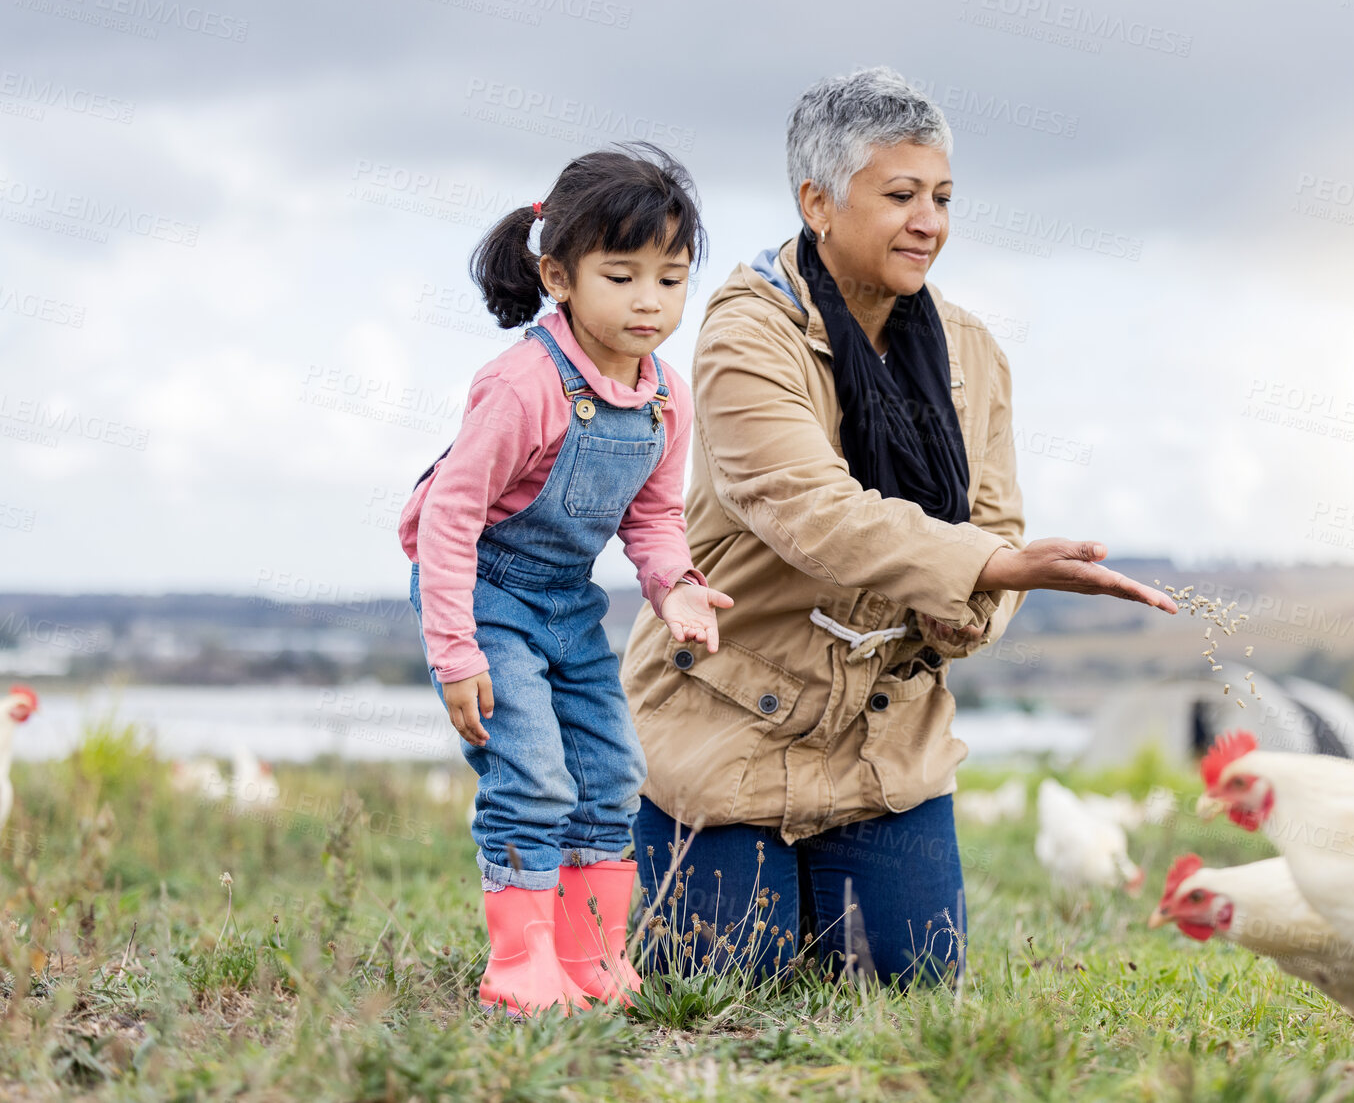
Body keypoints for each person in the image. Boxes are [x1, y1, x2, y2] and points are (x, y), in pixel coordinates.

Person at [621, 69, 1175, 987]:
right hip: (730, 721)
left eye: (943, 197)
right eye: (901, 195)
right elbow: (809, 509)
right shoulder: (746, 332)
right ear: (818, 201)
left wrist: (973, 609)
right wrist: (991, 564)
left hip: (887, 743)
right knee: (715, 982)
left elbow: (997, 523)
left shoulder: (970, 351)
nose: (930, 221)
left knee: (913, 985)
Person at [399, 145, 733, 1015]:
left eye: (671, 277)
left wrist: (677, 587)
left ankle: (591, 957)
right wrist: (457, 649)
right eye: (621, 275)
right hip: (482, 593)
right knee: (534, 774)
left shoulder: (666, 395)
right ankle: (520, 965)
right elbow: (448, 519)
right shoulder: (523, 387)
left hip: (566, 602)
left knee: (612, 769)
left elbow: (653, 521)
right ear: (558, 274)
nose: (649, 301)